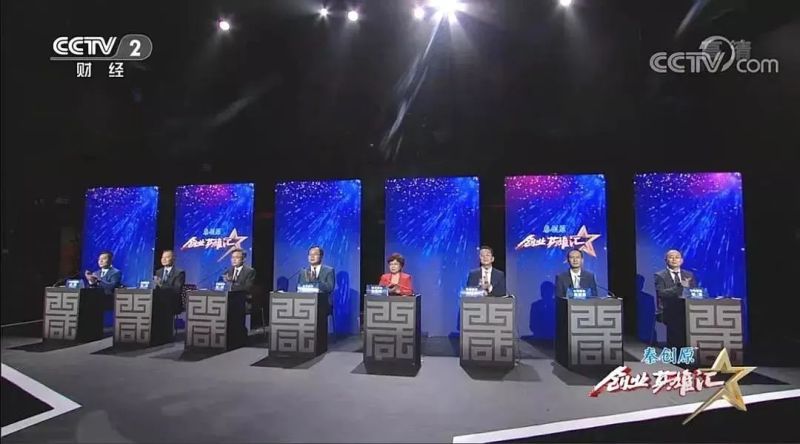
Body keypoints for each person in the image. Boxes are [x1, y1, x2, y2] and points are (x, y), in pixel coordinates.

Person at [298, 246, 336, 316]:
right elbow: (299, 288)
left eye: (315, 254)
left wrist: (315, 281)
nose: (312, 256)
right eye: (310, 254)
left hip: (322, 306)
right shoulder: (303, 271)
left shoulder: (329, 270)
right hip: (305, 306)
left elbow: (330, 288)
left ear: (321, 256)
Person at [154, 250, 186, 314]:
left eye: (167, 257)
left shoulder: (179, 273)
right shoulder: (158, 272)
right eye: (162, 257)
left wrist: (161, 284)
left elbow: (176, 290)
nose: (164, 259)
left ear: (173, 259)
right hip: (158, 304)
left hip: (172, 304)